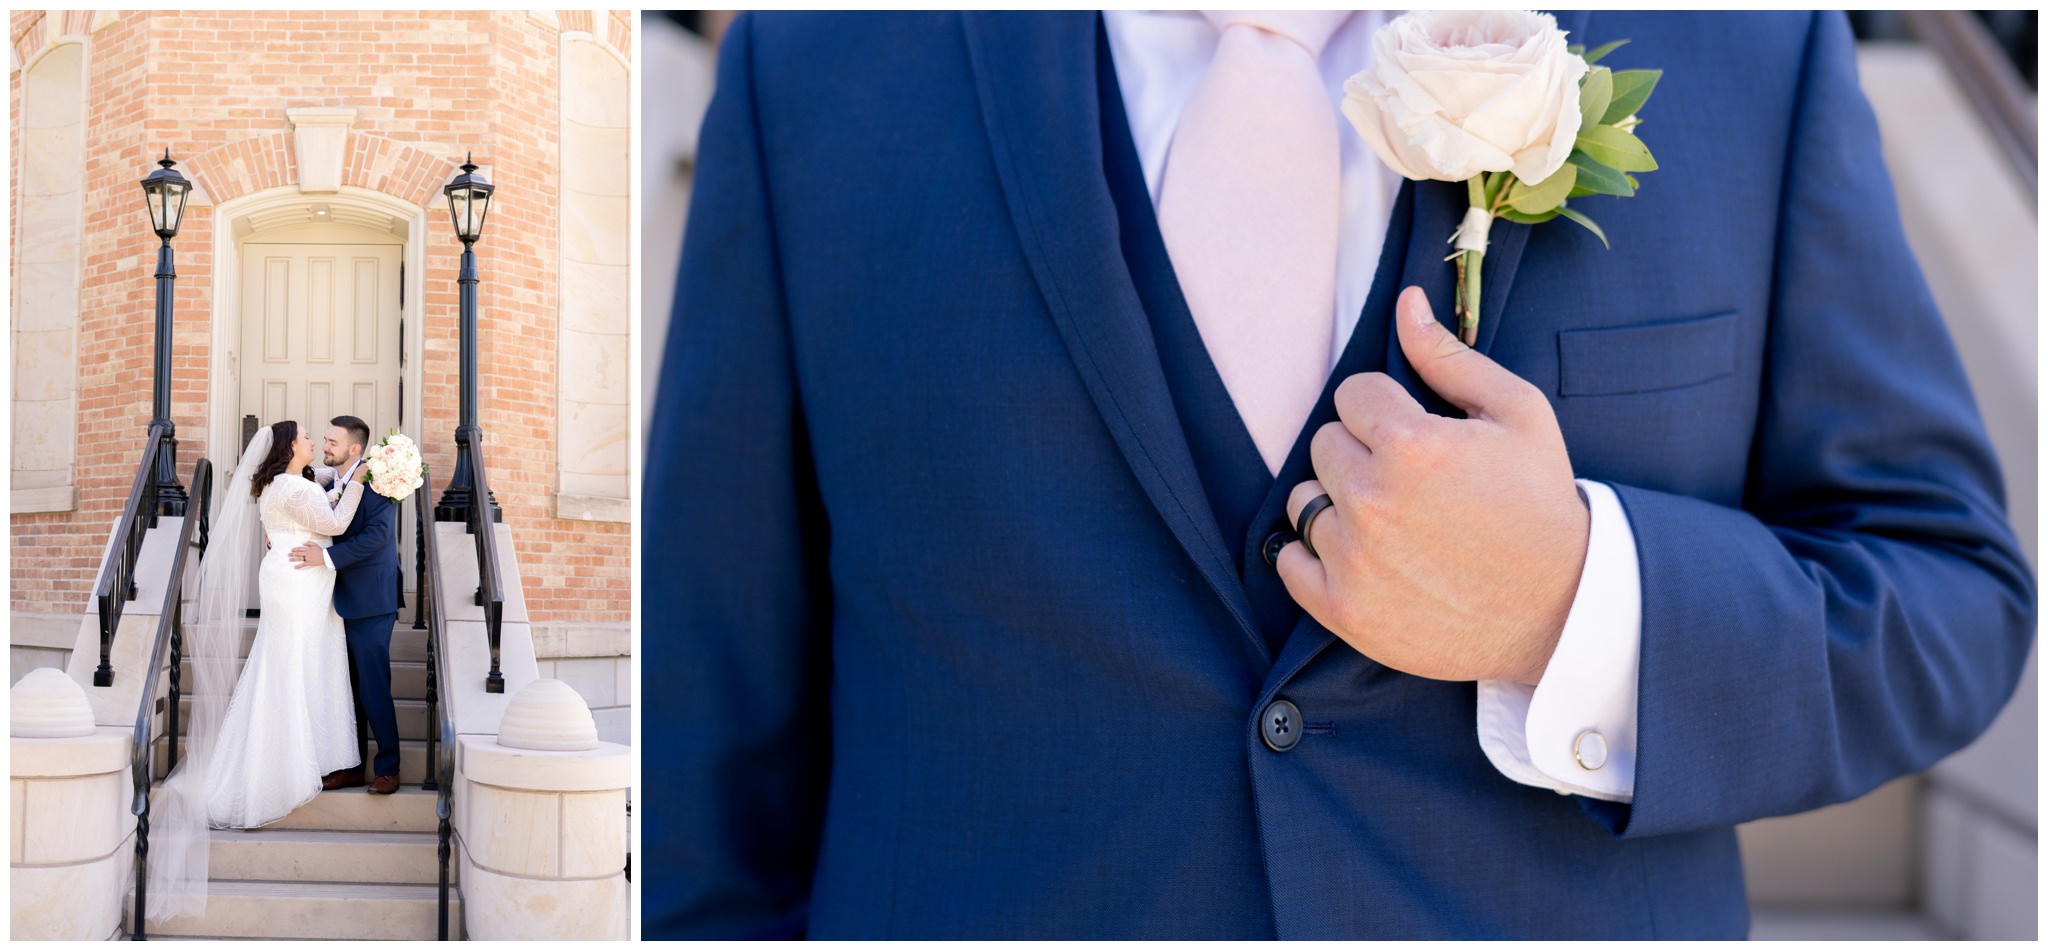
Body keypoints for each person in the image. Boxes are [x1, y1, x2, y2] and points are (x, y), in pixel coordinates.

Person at [644, 11, 2035, 938]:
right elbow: (711, 713)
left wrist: (1576, 605)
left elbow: (1949, 592)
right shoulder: (818, 61)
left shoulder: (1744, 45)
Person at [291, 415, 405, 796]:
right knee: (345, 687)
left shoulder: (378, 480)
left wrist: (324, 557)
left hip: (371, 600)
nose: (325, 447)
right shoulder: (331, 480)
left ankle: (388, 767)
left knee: (372, 688)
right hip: (332, 601)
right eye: (323, 440)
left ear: (354, 449)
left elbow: (377, 537)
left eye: (332, 443)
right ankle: (351, 766)